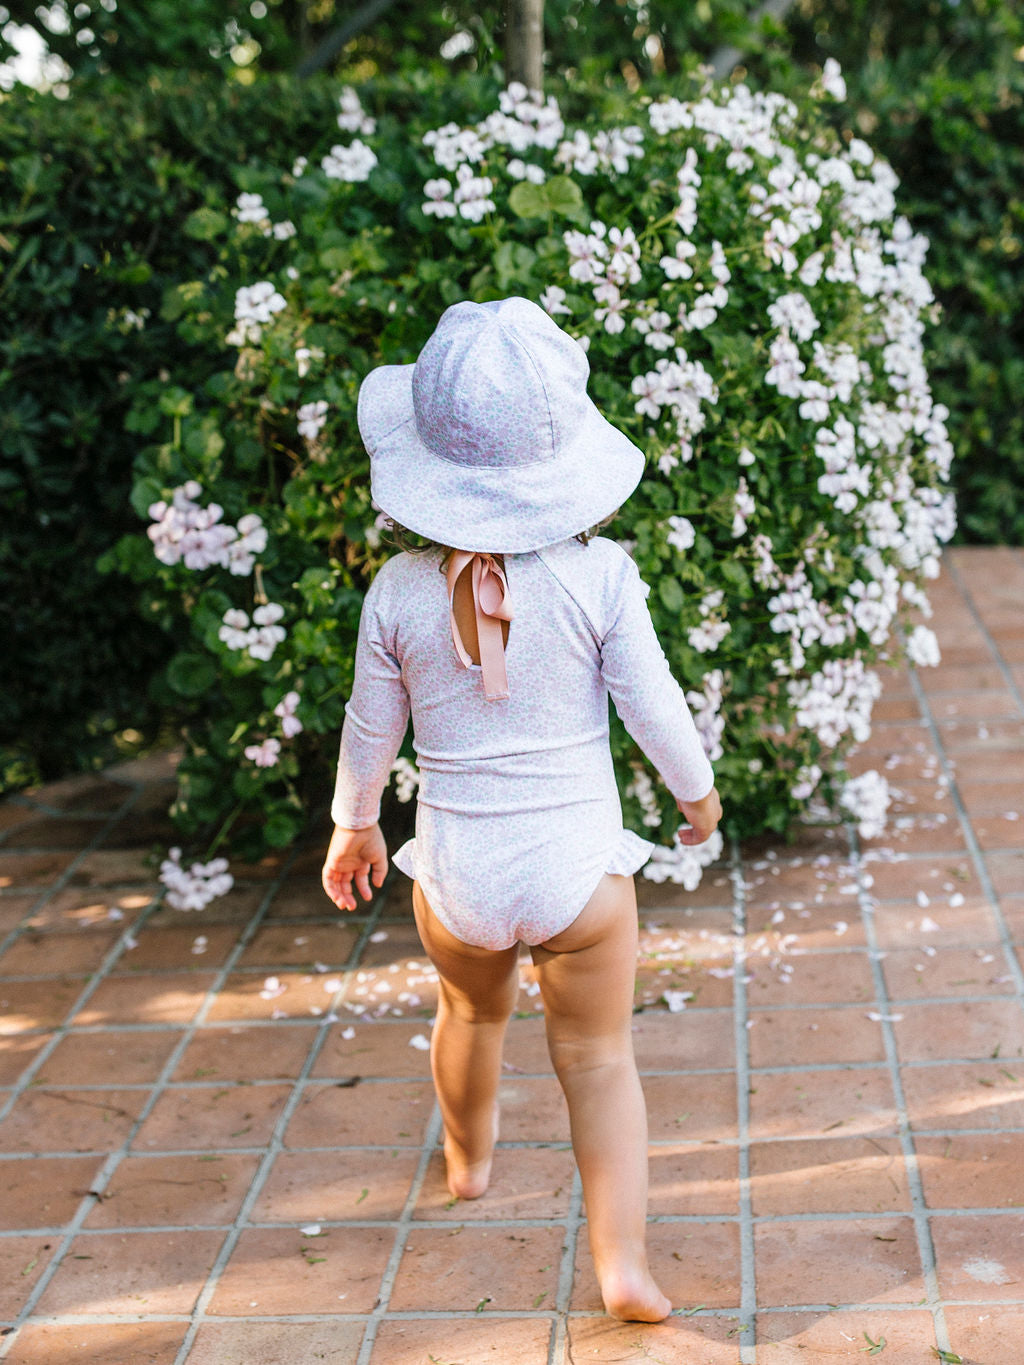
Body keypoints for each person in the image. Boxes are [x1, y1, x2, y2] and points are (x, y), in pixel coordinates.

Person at [321, 296, 722, 1323]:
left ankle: (468, 1159)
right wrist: (696, 793)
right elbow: (653, 704)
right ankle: (623, 1264)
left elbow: (371, 727)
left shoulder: (398, 593)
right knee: (598, 1060)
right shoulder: (602, 576)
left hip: (456, 873)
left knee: (468, 1013)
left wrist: (354, 822)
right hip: (579, 868)